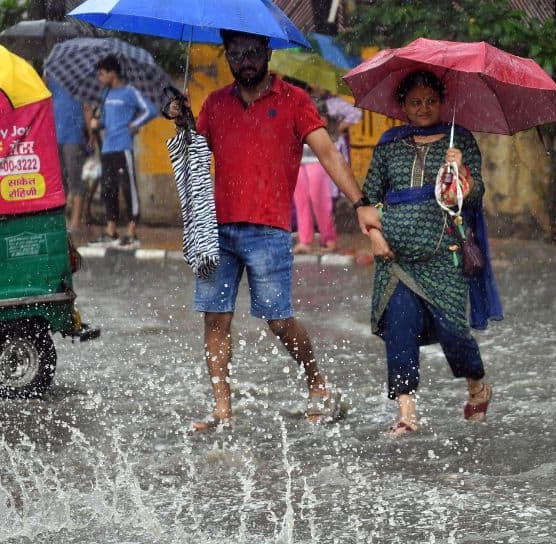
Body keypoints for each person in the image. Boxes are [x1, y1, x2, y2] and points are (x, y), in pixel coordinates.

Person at [166, 30, 381, 431]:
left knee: (278, 320)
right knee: (215, 319)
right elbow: (194, 156)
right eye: (235, 53)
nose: (244, 60)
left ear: (267, 53)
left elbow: (329, 154)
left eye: (252, 52)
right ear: (227, 56)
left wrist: (362, 204)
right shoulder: (214, 103)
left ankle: (317, 382)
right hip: (217, 231)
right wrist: (183, 122)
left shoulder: (294, 101)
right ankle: (222, 411)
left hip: (269, 230)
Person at [362, 70, 502, 438]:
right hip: (397, 260)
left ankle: (477, 386)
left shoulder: (461, 141)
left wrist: (461, 172)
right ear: (403, 106)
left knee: (454, 331)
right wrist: (375, 234)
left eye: (430, 101)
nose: (424, 108)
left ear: (441, 103)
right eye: (415, 102)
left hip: (444, 256)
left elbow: (475, 193)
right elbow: (369, 196)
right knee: (401, 330)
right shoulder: (389, 144)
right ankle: (407, 413)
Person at [88, 54, 158, 249]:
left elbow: (150, 110)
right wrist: (97, 124)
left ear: (112, 73)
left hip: (123, 147)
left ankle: (131, 232)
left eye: (102, 74)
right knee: (109, 190)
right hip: (107, 149)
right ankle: (111, 232)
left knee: (128, 188)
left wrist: (134, 125)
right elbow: (105, 120)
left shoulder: (130, 92)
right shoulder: (106, 95)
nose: (100, 78)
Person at [293, 97, 339, 253]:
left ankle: (329, 238)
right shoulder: (292, 106)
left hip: (317, 158)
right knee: (301, 200)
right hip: (298, 160)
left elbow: (324, 123)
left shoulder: (317, 104)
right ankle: (305, 241)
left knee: (318, 198)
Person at [46, 75, 90, 233]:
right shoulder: (51, 80)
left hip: (72, 136)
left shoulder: (81, 81)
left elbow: (86, 108)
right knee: (63, 182)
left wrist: (90, 134)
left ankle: (75, 221)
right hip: (57, 136)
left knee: (73, 181)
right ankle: (65, 219)